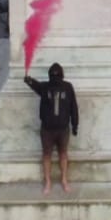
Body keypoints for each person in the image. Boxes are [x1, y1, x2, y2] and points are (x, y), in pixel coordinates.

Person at [24, 63, 79, 194]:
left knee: (63, 154)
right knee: (47, 155)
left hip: (63, 129)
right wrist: (29, 80)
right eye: (53, 76)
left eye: (57, 75)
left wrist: (75, 124)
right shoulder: (45, 87)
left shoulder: (68, 87)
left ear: (62, 76)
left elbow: (73, 107)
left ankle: (64, 180)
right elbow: (36, 85)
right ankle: (48, 182)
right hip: (47, 130)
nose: (55, 78)